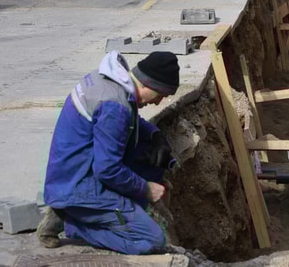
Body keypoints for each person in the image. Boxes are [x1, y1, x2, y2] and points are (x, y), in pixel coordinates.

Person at [37, 51, 181, 255]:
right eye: (160, 95)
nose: (158, 103)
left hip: (69, 174)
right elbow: (107, 169)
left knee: (148, 155)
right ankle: (73, 223)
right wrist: (145, 188)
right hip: (79, 185)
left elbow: (127, 122)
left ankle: (96, 213)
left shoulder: (111, 82)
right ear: (148, 84)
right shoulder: (115, 107)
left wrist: (155, 134)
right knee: (153, 240)